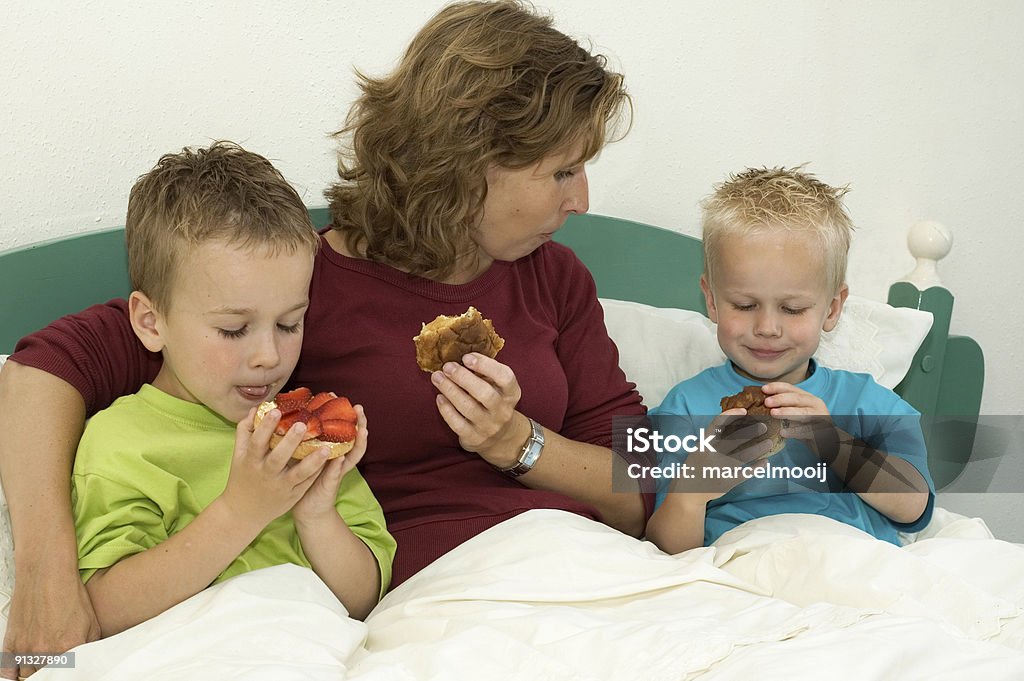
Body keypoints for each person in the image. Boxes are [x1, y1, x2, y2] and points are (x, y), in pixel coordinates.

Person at [0, 2, 647, 674]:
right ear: (472, 161)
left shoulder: (557, 278)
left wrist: (521, 444)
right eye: (563, 171)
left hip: (585, 572)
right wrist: (46, 577)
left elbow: (642, 486)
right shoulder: (289, 295)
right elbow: (41, 369)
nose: (583, 201)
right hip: (446, 611)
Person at [72, 141, 395, 638]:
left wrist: (316, 515)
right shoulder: (121, 442)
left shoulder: (303, 431)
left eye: (289, 324)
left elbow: (363, 599)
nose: (269, 355)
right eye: (232, 329)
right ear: (151, 322)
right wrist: (242, 510)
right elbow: (105, 613)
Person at [644, 166, 934, 555]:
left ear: (832, 309)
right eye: (745, 305)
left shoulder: (865, 400)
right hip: (741, 571)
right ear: (711, 300)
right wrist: (693, 491)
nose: (767, 327)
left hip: (849, 562)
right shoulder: (684, 409)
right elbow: (662, 548)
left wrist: (835, 443)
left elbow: (915, 509)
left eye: (792, 309)